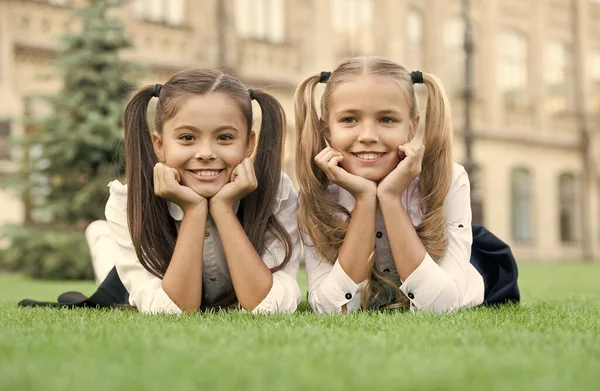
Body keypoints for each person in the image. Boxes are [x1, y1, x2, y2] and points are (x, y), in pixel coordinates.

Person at [20, 68, 302, 314]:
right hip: (132, 277)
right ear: (160, 145)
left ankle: (103, 238)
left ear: (249, 143)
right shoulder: (126, 203)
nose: (205, 153)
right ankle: (102, 239)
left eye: (224, 137)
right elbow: (172, 310)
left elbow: (271, 306)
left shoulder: (275, 194)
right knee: (114, 273)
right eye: (187, 138)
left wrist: (222, 209)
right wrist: (193, 210)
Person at [294, 56, 519, 314]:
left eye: (387, 120)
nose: (368, 136)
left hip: (475, 267)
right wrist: (366, 199)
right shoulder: (317, 192)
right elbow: (332, 308)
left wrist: (390, 198)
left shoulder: (450, 178)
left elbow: (441, 306)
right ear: (326, 130)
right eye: (349, 120)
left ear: (412, 128)